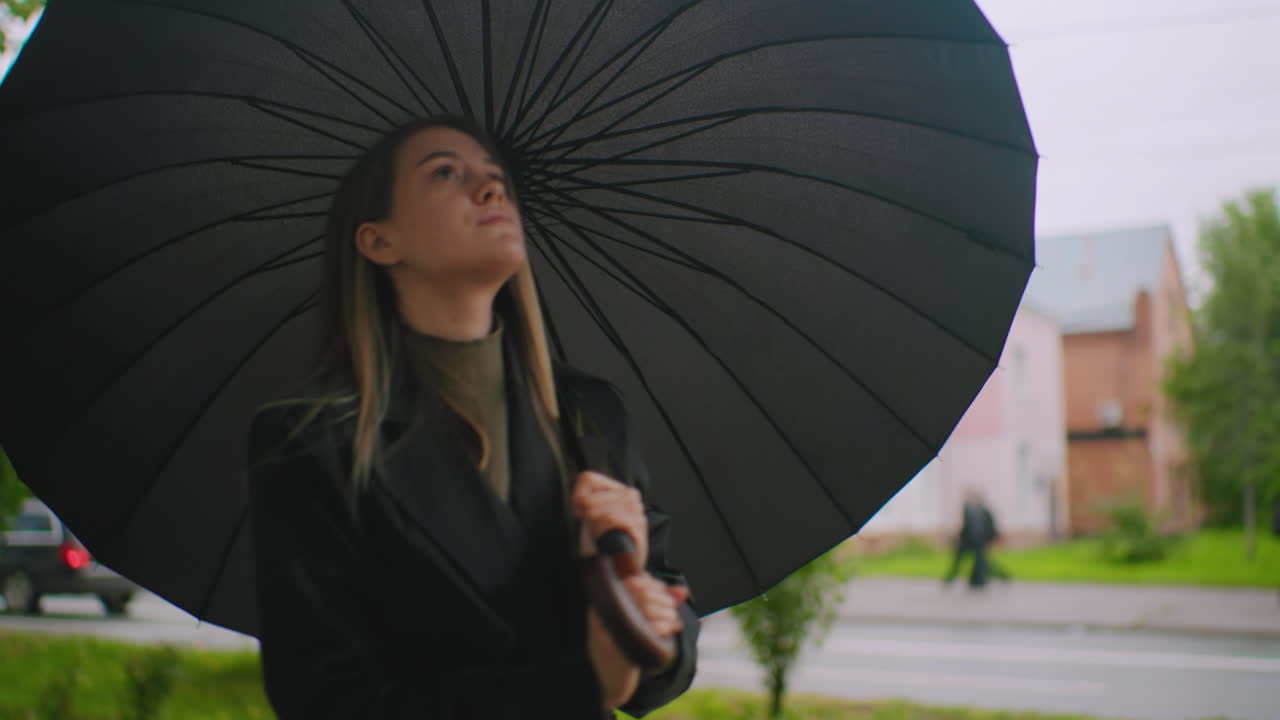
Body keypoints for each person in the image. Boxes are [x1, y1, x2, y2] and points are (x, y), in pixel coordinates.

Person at [245, 115, 698, 719]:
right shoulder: (310, 444)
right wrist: (580, 681)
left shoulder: (592, 414)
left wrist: (629, 594)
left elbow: (669, 632)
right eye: (445, 172)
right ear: (379, 241)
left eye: (495, 178)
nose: (490, 189)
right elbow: (331, 701)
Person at [942, 488, 1009, 589]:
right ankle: (974, 580)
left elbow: (986, 527)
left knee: (980, 562)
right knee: (977, 561)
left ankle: (980, 579)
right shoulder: (975, 510)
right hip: (972, 541)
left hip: (976, 541)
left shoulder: (978, 510)